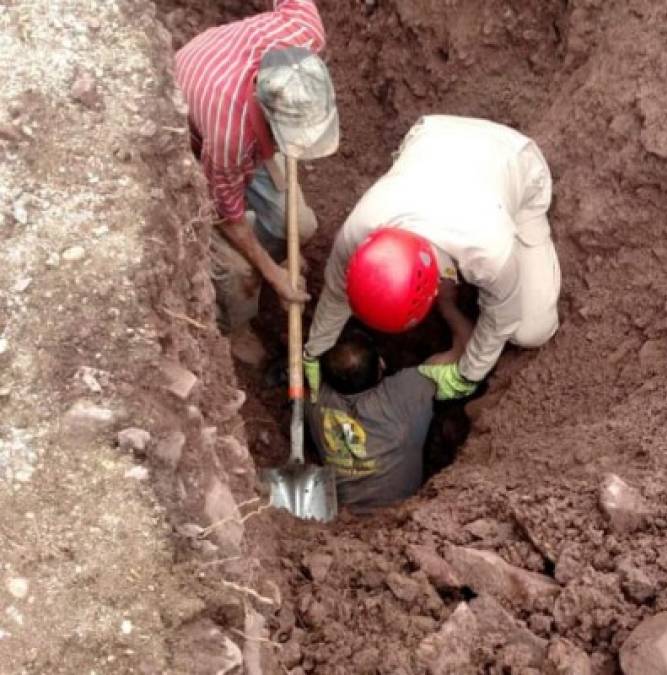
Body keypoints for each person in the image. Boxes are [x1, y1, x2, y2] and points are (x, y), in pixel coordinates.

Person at [303, 115, 560, 400]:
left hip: (514, 162)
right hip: (433, 135)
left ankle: (531, 222)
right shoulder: (359, 232)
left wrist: (466, 374)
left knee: (531, 330)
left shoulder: (489, 252)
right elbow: (338, 291)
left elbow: (502, 318)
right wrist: (315, 350)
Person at [174, 1, 339, 335]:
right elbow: (227, 215)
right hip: (190, 123)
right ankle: (236, 328)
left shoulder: (306, 34)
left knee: (301, 226)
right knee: (238, 274)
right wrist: (272, 275)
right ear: (268, 117)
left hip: (223, 69)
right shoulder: (229, 138)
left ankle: (266, 259)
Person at [306, 331, 437, 510]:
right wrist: (449, 309)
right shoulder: (404, 392)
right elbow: (465, 357)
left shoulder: (314, 398)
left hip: (343, 517)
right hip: (401, 515)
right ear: (381, 365)